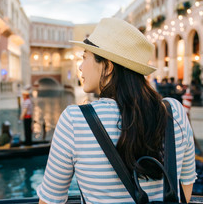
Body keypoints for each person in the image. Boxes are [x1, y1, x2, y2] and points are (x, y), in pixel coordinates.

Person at [37, 18, 196, 204]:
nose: (80, 66)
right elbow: (185, 189)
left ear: (108, 67)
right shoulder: (174, 111)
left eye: (85, 57)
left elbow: (50, 200)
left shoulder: (74, 120)